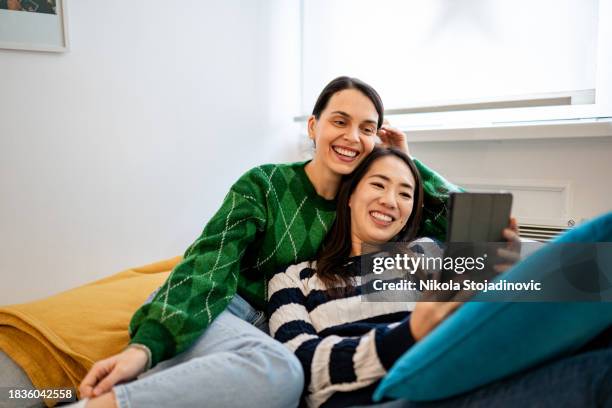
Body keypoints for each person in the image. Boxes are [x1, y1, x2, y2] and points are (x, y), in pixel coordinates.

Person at [66, 77, 460, 408]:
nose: (352, 137)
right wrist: (145, 347)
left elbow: (477, 231)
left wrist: (405, 159)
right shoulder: (265, 184)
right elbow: (207, 266)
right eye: (339, 121)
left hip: (274, 330)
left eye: (367, 129)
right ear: (312, 126)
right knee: (277, 373)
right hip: (218, 309)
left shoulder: (367, 201)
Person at [267, 147, 612, 407]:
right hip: (383, 398)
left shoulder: (426, 253)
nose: (391, 201)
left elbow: (477, 321)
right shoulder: (295, 279)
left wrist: (504, 271)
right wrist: (409, 334)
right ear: (350, 196)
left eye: (405, 193)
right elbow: (302, 367)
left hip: (458, 373)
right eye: (378, 184)